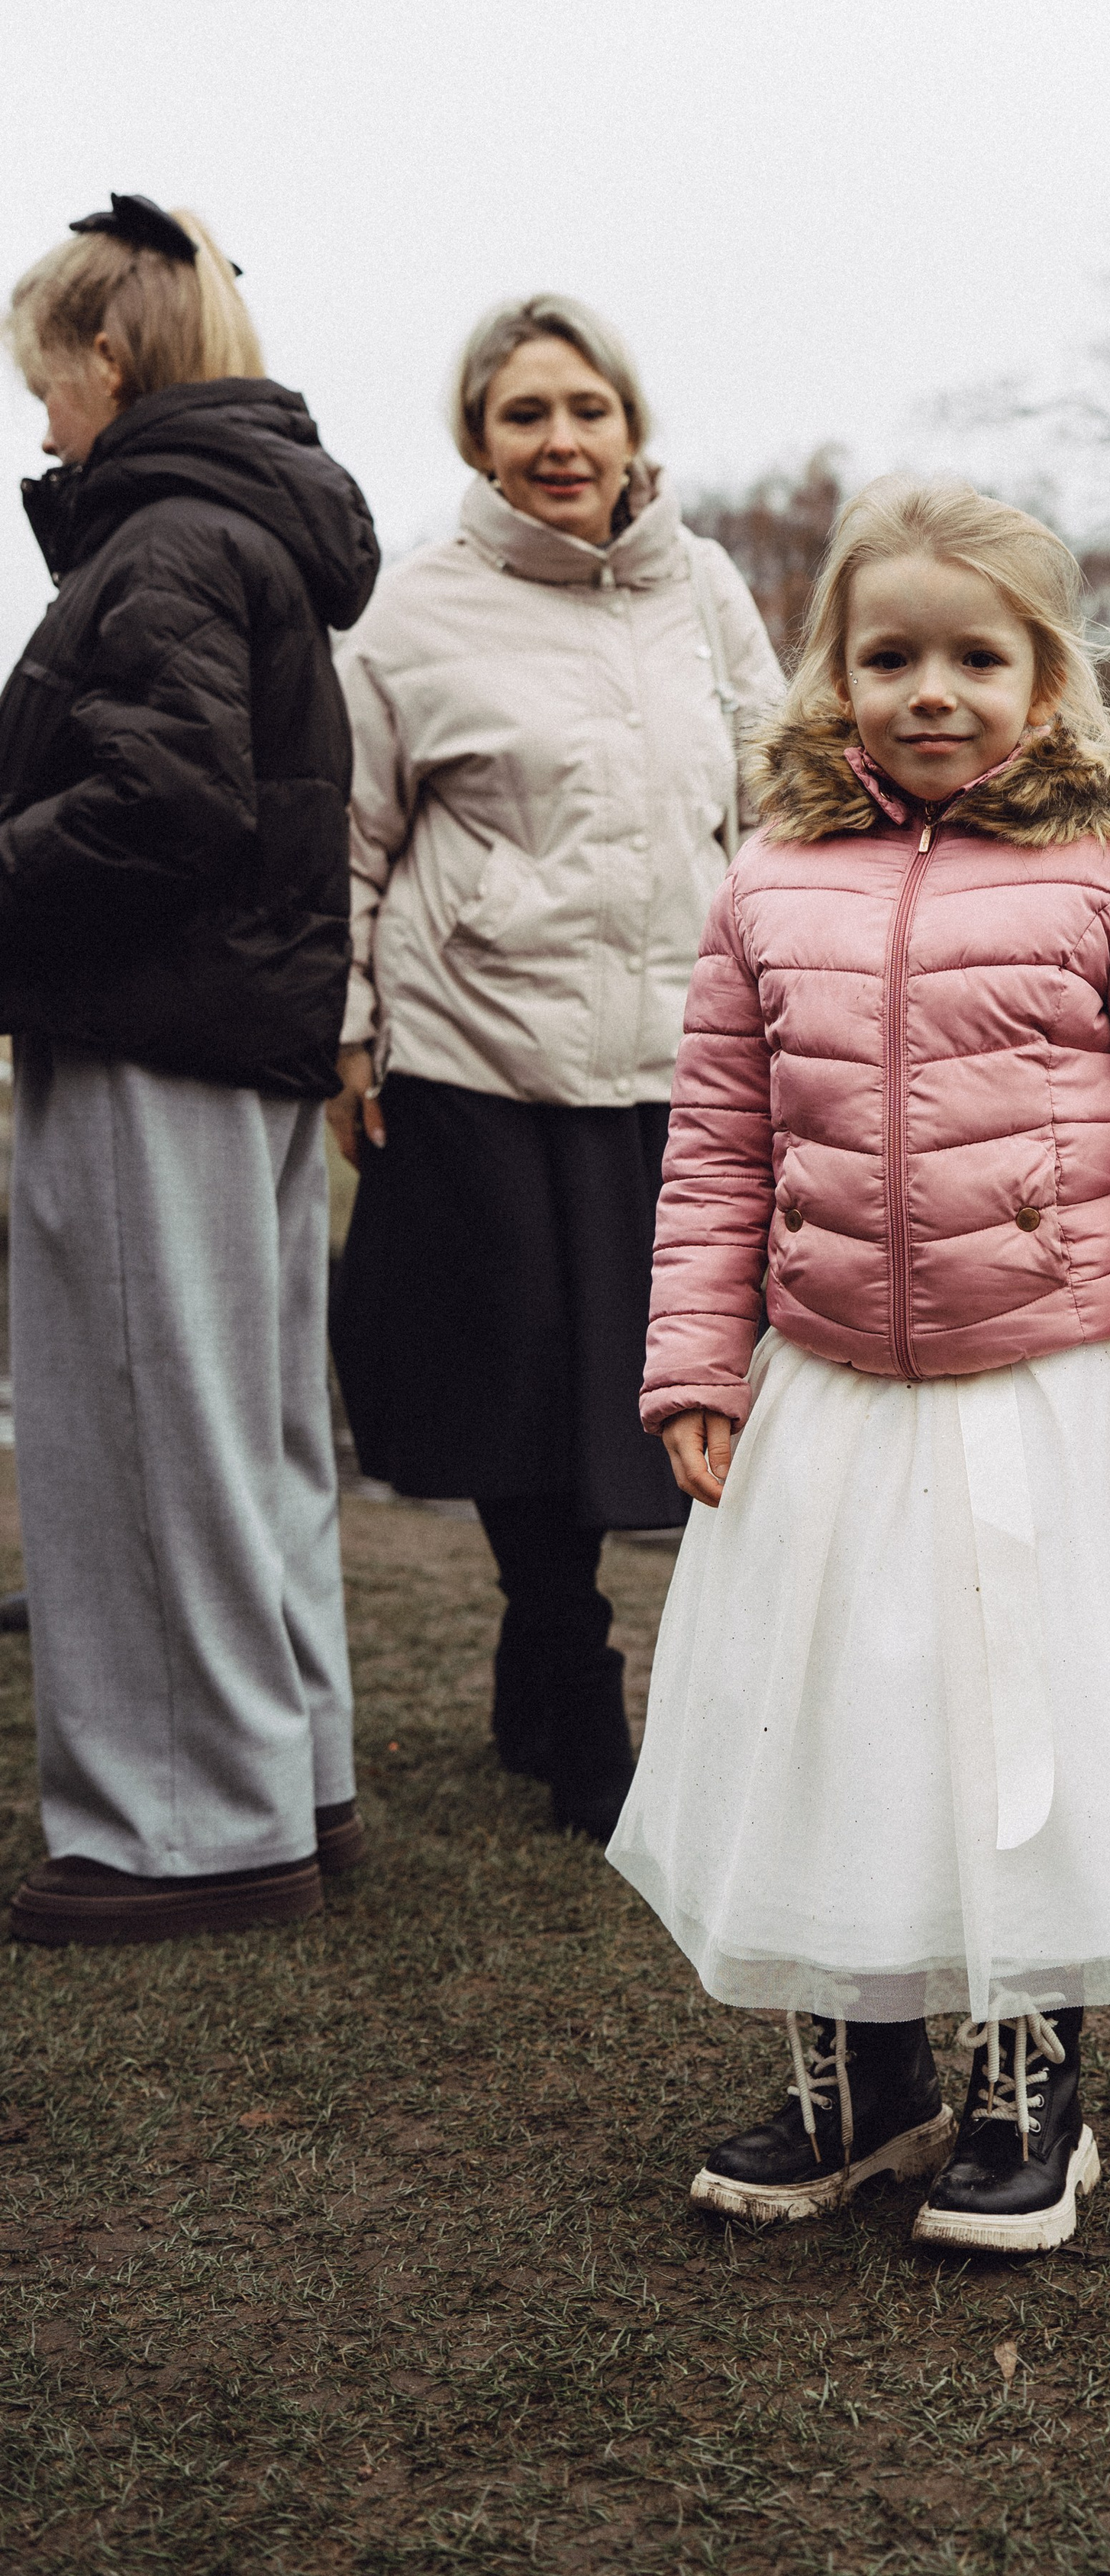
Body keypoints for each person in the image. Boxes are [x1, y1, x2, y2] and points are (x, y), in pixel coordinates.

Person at [608, 476, 1110, 2252]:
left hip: (1048, 1390)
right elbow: (716, 1148)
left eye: (975, 658)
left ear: (1044, 677)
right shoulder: (769, 881)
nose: (931, 690)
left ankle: (1026, 2084)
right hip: (829, 1391)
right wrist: (693, 1358)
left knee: (1022, 1729)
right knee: (833, 1722)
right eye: (889, 656)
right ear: (834, 673)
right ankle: (860, 2081)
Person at [328, 295, 784, 1841]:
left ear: (631, 424)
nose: (561, 440)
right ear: (478, 438)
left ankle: (539, 1665)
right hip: (478, 1051)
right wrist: (346, 1031)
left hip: (676, 1060)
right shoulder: (412, 613)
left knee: (637, 1384)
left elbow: (778, 804)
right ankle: (574, 1681)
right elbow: (350, 841)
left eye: (587, 408)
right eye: (524, 413)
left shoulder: (704, 587)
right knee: (514, 1382)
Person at [0, 192, 379, 1946]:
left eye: (43, 379)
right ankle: (287, 1776)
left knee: (147, 1429)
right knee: (248, 1431)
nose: (39, 417)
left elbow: (163, 801)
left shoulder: (160, 545)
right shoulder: (239, 533)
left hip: (157, 1031)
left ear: (109, 356)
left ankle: (189, 1829)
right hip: (240, 1035)